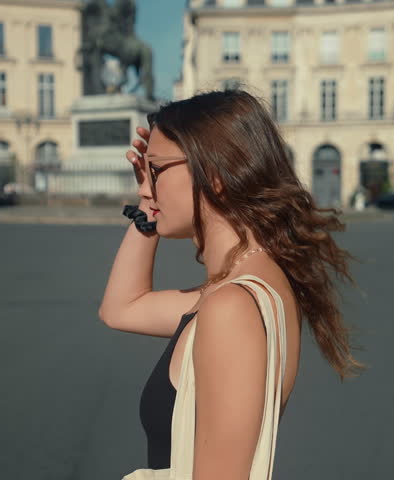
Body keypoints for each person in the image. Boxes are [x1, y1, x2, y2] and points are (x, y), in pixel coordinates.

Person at [98, 89, 364, 479]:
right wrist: (147, 204)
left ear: (216, 176)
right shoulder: (245, 287)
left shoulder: (232, 306)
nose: (148, 183)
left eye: (157, 170)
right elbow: (121, 308)